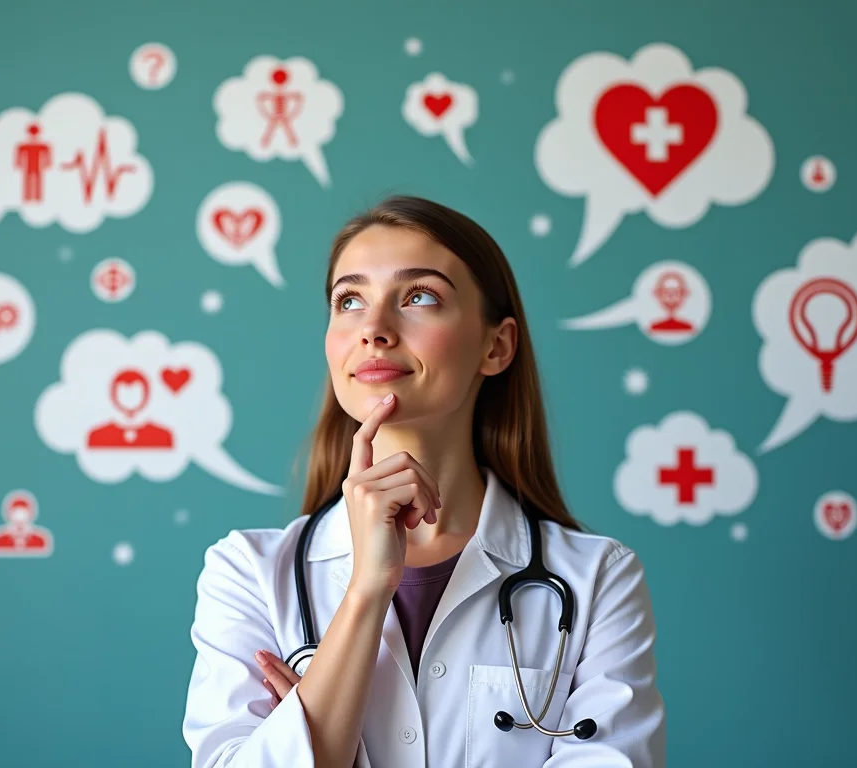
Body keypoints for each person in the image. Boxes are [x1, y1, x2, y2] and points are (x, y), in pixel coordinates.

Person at [182, 196, 666, 767]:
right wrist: (367, 587)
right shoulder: (247, 573)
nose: (374, 329)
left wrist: (307, 729)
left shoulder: (597, 580)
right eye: (350, 300)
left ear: (497, 346)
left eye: (419, 297)